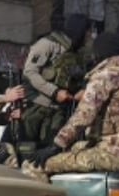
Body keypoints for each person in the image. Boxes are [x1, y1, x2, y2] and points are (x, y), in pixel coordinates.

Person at [34, 31, 119, 176]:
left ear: (98, 53)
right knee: (77, 147)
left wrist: (56, 145)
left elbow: (83, 116)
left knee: (39, 165)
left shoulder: (105, 76)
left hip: (111, 155)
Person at [21, 14, 92, 148]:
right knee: (29, 148)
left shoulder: (78, 53)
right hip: (36, 107)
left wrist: (80, 90)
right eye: (88, 32)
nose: (90, 36)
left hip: (60, 110)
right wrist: (54, 92)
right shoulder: (47, 44)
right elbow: (30, 72)